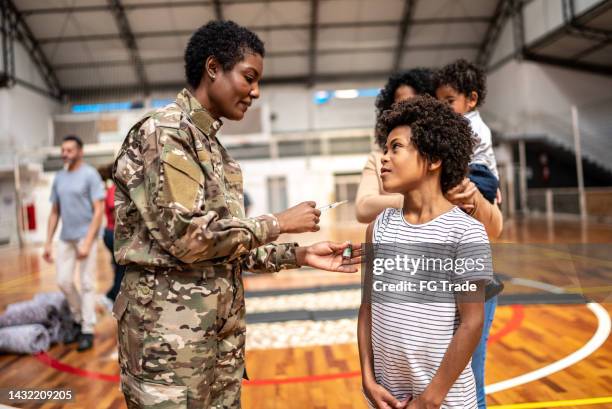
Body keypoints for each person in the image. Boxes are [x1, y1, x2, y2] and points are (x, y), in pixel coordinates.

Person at [112, 20, 361, 408]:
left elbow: (224, 248)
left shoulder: (216, 153)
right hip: (168, 348)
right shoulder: (165, 134)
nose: (256, 92)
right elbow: (189, 240)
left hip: (214, 345)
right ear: (213, 68)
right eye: (249, 77)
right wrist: (277, 223)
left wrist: (298, 254)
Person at [358, 97, 491, 409]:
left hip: (445, 402)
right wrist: (368, 378)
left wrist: (430, 400)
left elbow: (472, 324)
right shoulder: (378, 229)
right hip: (386, 398)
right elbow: (367, 309)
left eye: (396, 148)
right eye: (385, 149)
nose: (384, 159)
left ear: (433, 159)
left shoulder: (466, 232)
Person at [434, 59, 504, 409]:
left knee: (473, 372)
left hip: (480, 177)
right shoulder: (464, 123)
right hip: (479, 179)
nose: (444, 109)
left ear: (470, 100)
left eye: (448, 102)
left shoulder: (471, 128)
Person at [42, 135, 105, 351]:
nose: (64, 154)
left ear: (80, 152)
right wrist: (48, 242)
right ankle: (78, 319)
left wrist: (87, 242)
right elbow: (54, 212)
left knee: (87, 284)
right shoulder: (59, 177)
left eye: (69, 150)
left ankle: (87, 329)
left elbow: (98, 211)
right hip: (65, 238)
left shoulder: (90, 175)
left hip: (85, 236)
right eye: (63, 150)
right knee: (63, 281)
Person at [355, 68, 435, 224]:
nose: (405, 109)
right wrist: (413, 201)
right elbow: (362, 208)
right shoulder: (378, 158)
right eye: (398, 104)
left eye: (413, 102)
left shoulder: (442, 155)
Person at [97, 164, 125, 305]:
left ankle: (112, 295)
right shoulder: (114, 190)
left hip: (112, 233)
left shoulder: (113, 189)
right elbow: (116, 215)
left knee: (119, 267)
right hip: (113, 233)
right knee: (122, 267)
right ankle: (111, 296)